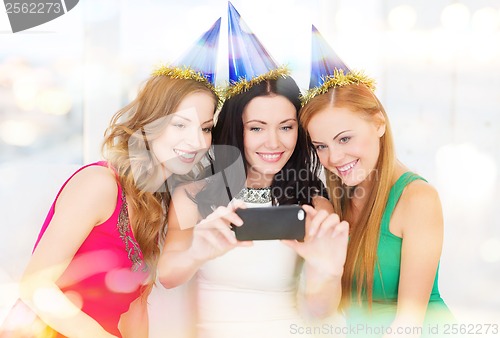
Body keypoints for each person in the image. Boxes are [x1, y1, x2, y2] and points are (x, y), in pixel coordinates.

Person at [1, 20, 222, 338]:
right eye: (180, 125)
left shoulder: (156, 204)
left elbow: (135, 308)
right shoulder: (100, 183)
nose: (199, 142)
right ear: (149, 124)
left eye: (205, 128)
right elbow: (36, 285)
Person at [158, 4, 349, 338]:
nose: (273, 142)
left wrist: (328, 271)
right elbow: (167, 276)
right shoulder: (192, 194)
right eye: (257, 128)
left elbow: (319, 314)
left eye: (286, 127)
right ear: (237, 129)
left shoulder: (314, 204)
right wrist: (197, 251)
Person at [299, 25, 454, 338]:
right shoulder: (335, 200)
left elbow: (409, 323)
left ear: (379, 124)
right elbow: (321, 310)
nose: (334, 157)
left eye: (345, 138)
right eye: (321, 146)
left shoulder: (418, 199)